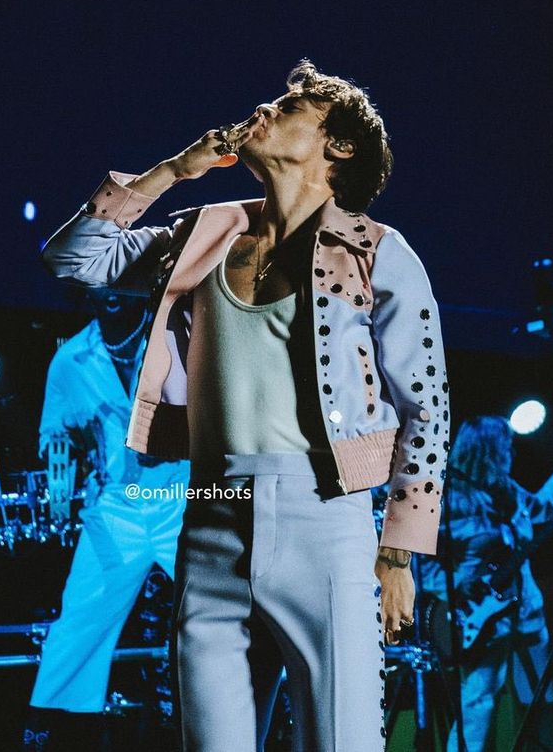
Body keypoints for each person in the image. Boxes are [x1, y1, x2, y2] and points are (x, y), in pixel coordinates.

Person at [40, 59, 450, 751]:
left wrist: (399, 554)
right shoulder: (201, 233)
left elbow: (427, 409)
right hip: (209, 519)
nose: (268, 104)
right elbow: (73, 259)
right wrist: (172, 170)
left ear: (339, 146)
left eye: (293, 103)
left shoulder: (380, 253)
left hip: (326, 519)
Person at [22, 288, 190, 749]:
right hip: (115, 507)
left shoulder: (177, 338)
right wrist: (61, 456)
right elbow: (53, 433)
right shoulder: (72, 359)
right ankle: (57, 734)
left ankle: (263, 715)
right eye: (99, 281)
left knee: (225, 608)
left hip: (183, 497)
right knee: (77, 624)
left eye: (120, 278)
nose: (111, 291)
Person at [422, 416, 553, 752]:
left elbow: (545, 509)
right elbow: (423, 567)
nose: (511, 453)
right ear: (490, 450)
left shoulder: (506, 491)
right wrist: (456, 587)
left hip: (527, 610)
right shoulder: (449, 499)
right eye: (506, 447)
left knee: (539, 698)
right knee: (479, 701)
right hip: (482, 620)